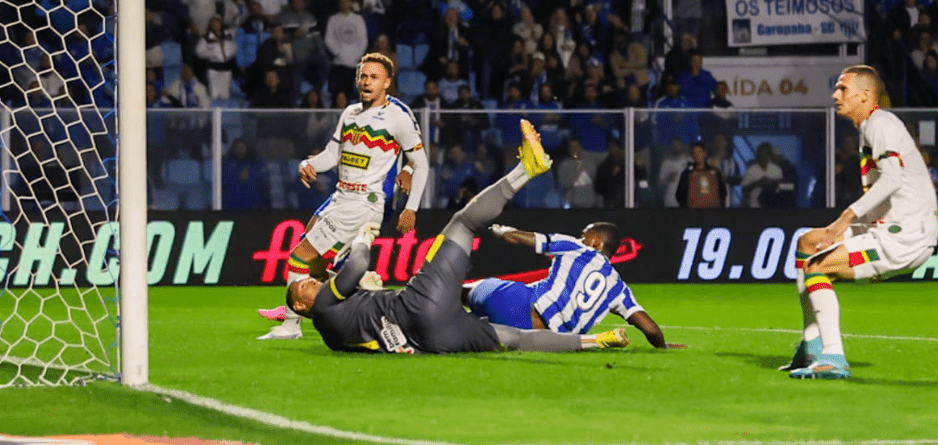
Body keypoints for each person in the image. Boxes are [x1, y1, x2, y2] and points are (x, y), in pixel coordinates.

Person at [286, 120, 630, 354]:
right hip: (417, 306)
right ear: (303, 306)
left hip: (431, 340)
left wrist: (366, 291)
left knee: (515, 338)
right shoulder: (326, 304)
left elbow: (369, 327)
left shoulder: (332, 337)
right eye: (304, 286)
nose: (310, 282)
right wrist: (364, 236)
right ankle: (528, 169)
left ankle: (596, 341)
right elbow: (359, 262)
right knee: (463, 223)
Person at [783, 65, 938, 379]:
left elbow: (893, 178)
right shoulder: (872, 127)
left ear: (865, 95)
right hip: (888, 228)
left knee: (817, 266)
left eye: (843, 89)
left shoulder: (879, 123)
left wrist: (846, 218)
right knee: (808, 243)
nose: (835, 94)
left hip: (903, 237)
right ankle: (810, 344)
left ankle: (833, 357)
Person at [257, 52, 427, 340]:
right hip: (340, 198)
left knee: (299, 258)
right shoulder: (350, 113)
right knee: (315, 264)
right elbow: (331, 155)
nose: (366, 81)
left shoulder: (397, 118)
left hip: (362, 204)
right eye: (363, 76)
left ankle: (291, 325)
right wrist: (308, 164)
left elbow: (421, 164)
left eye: (374, 77)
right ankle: (367, 292)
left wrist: (411, 208)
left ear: (387, 83)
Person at [464, 222, 682, 349]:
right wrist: (662, 347)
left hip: (516, 303)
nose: (581, 238)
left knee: (460, 292)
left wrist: (501, 231)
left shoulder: (576, 248)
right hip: (546, 341)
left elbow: (518, 238)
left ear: (596, 243)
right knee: (467, 328)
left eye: (585, 235)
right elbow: (650, 328)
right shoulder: (619, 289)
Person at [676, 140, 728, 208]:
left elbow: (722, 192)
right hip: (693, 213)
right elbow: (680, 194)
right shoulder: (687, 173)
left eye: (699, 152)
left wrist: (720, 208)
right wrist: (686, 209)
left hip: (713, 212)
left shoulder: (714, 171)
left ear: (704, 153)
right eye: (694, 153)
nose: (697, 155)